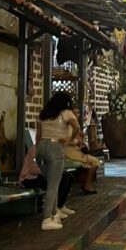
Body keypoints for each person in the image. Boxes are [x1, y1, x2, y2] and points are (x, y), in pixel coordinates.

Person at [35, 93, 82, 231]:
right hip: (55, 148)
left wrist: (37, 152)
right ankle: (47, 218)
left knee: (51, 182)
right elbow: (77, 127)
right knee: (53, 186)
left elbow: (38, 135)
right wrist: (68, 139)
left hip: (41, 147)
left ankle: (55, 213)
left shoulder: (43, 114)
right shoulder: (66, 113)